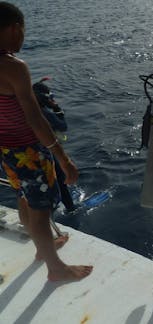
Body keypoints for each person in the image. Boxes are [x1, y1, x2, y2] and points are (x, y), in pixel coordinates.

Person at [0, 2, 92, 281]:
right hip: (29, 150)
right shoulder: (14, 67)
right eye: (23, 31)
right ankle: (55, 268)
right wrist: (63, 158)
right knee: (41, 209)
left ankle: (44, 248)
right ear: (16, 29)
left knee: (25, 198)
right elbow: (35, 118)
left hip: (7, 151)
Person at [33, 77, 75, 211]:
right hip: (46, 151)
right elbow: (63, 127)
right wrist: (57, 109)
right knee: (60, 178)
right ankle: (70, 208)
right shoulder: (45, 113)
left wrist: (40, 84)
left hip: (26, 153)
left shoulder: (26, 109)